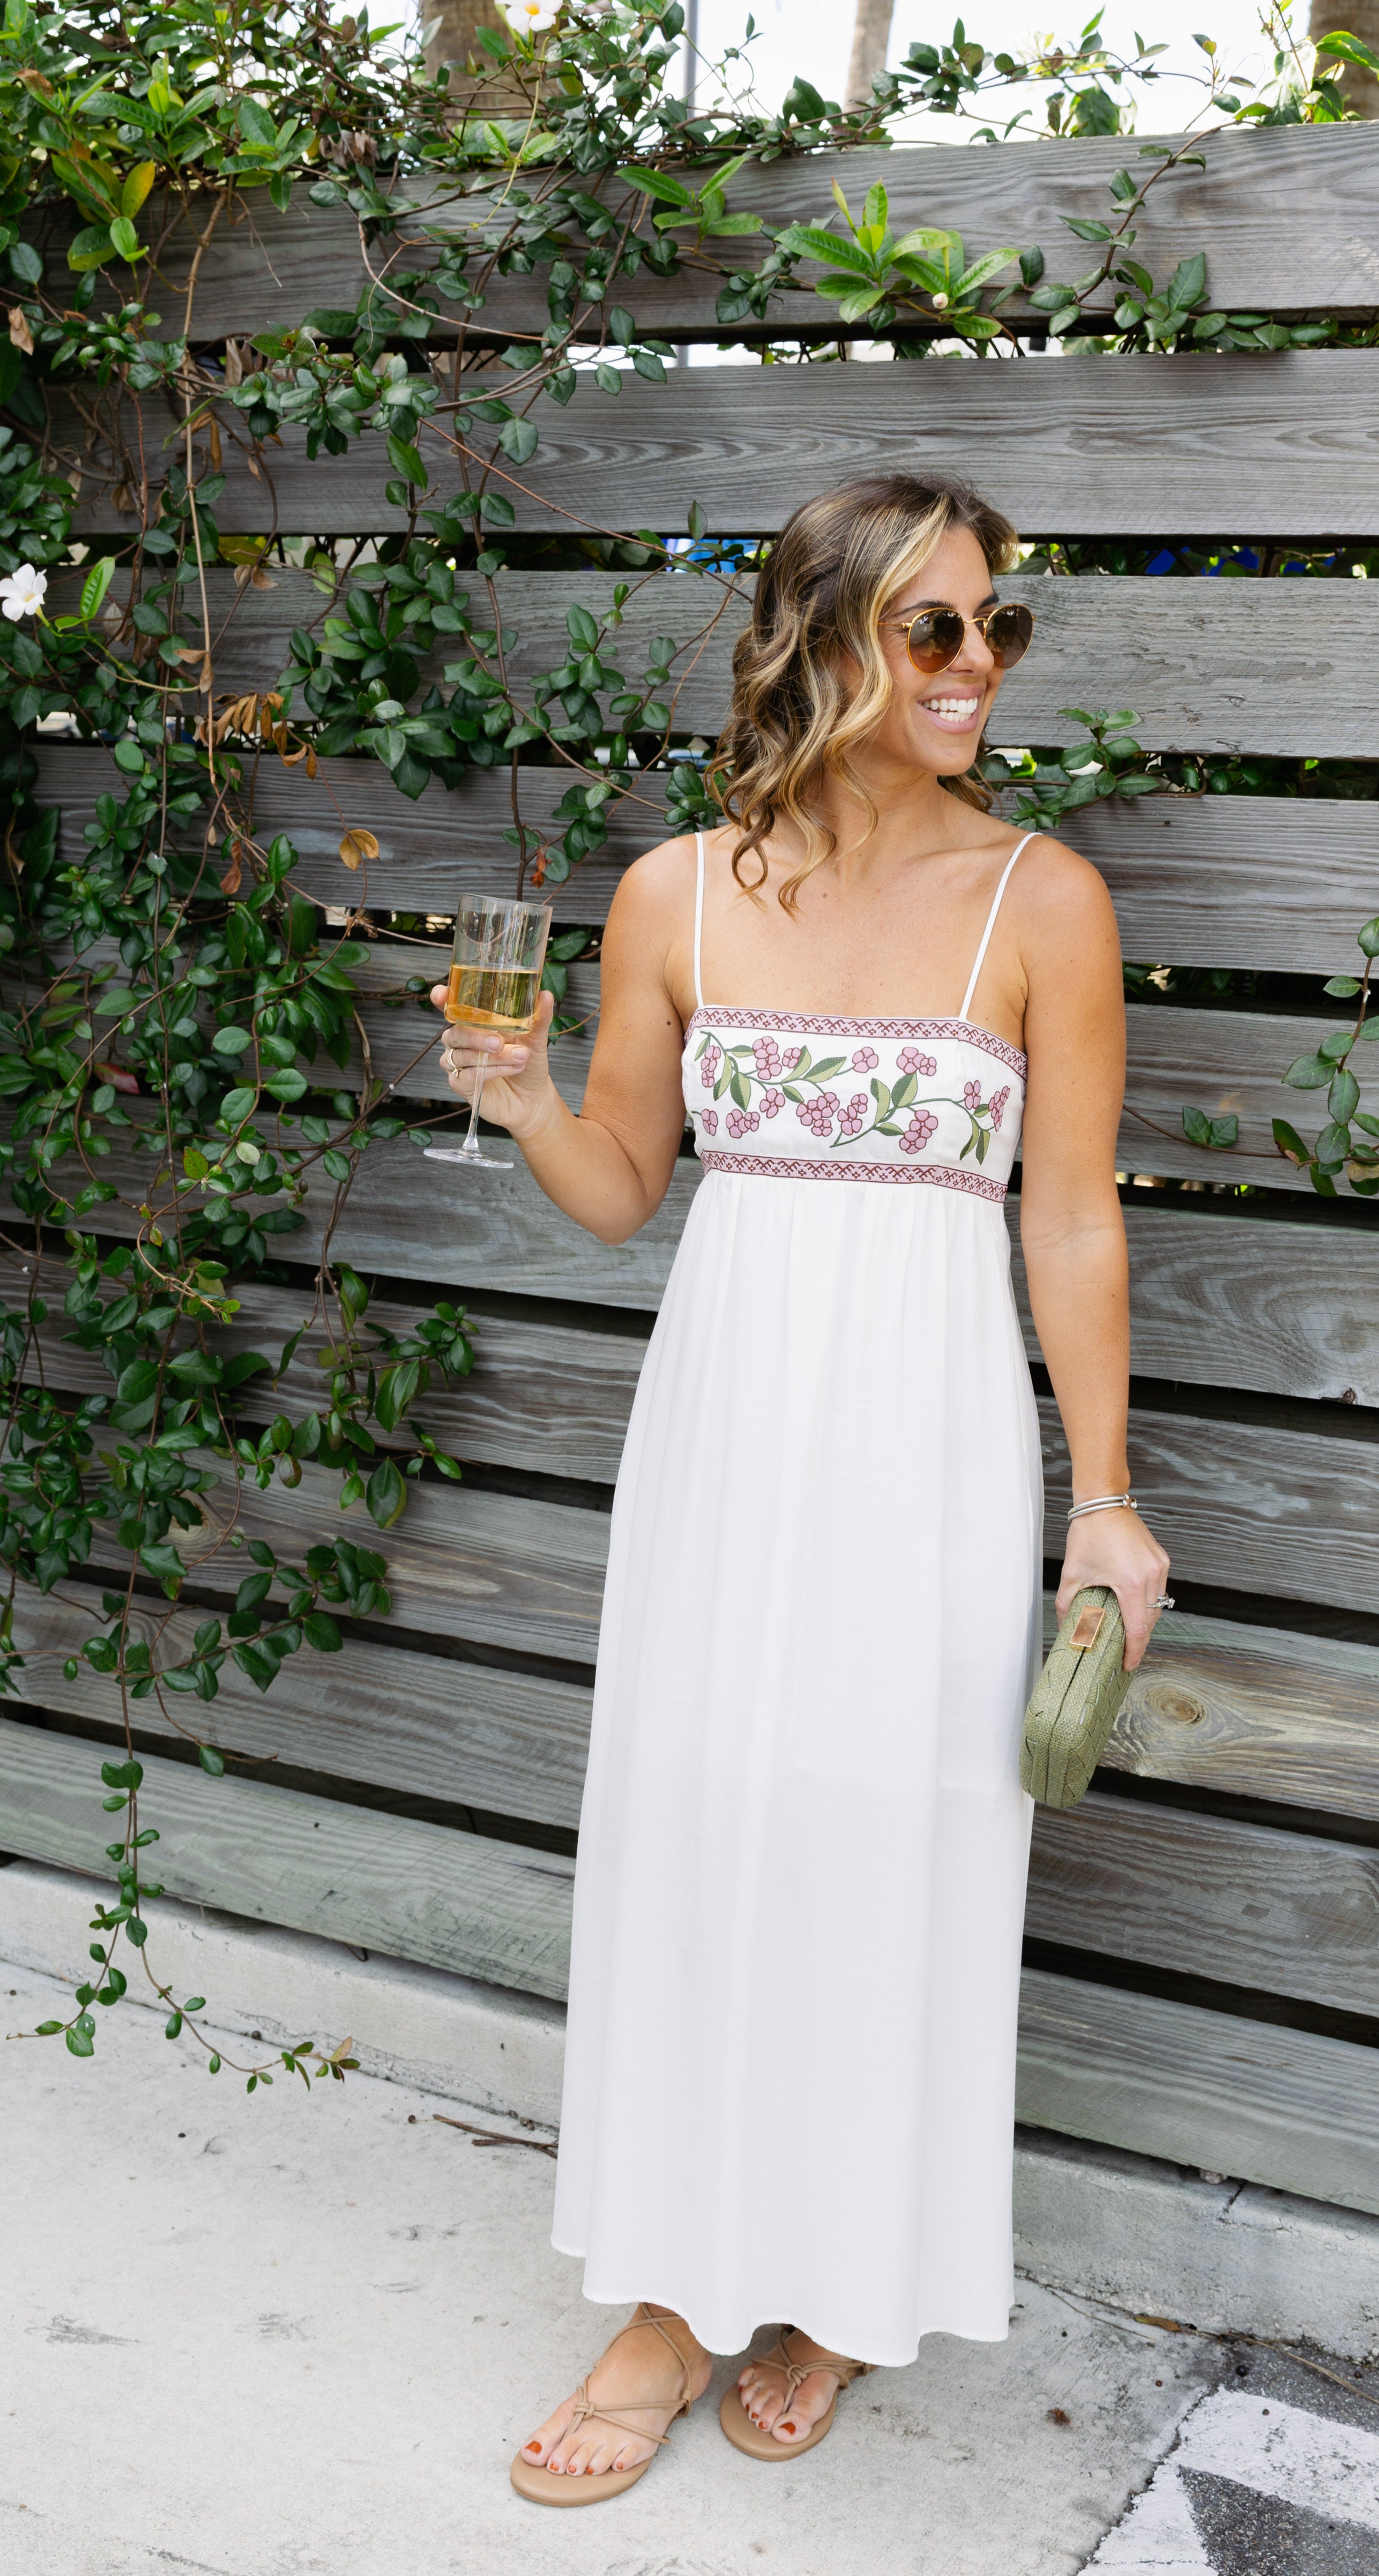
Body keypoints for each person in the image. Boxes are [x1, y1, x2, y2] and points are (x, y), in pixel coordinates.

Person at [433, 471, 1171, 2505]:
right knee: (700, 1825)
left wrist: (1103, 1499)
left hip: (927, 1448)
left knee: (885, 1842)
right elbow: (619, 1188)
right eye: (934, 626)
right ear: (820, 639)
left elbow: (1071, 1224)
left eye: (996, 626)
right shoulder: (672, 892)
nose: (974, 663)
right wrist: (522, 1100)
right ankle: (668, 2299)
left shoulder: (1041, 901)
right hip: (724, 1438)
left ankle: (837, 2284)